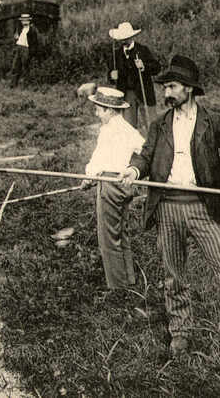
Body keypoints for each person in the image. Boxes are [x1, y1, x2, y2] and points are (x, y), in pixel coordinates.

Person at [119, 55, 220, 355]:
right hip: (167, 206)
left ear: (189, 89)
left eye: (172, 86)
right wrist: (133, 170)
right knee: (174, 275)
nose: (166, 93)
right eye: (165, 86)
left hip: (204, 207)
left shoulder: (214, 122)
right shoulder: (159, 125)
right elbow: (144, 156)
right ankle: (180, 332)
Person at [81, 87, 146, 289]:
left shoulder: (108, 131)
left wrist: (88, 178)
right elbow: (144, 149)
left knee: (108, 239)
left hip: (110, 184)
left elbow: (98, 160)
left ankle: (118, 288)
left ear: (109, 110)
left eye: (99, 109)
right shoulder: (128, 128)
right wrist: (131, 170)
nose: (97, 113)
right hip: (125, 184)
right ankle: (129, 279)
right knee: (121, 233)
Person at [108, 22, 160, 129]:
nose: (124, 41)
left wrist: (143, 66)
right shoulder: (116, 55)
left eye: (126, 38)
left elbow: (157, 67)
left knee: (151, 124)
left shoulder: (142, 50)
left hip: (144, 91)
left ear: (132, 37)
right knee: (129, 127)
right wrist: (111, 76)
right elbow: (111, 75)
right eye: (122, 38)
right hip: (127, 95)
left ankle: (154, 145)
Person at [10, 13, 39, 87]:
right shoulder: (20, 29)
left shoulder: (32, 30)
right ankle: (13, 84)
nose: (24, 22)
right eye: (23, 20)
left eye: (26, 20)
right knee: (15, 66)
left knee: (25, 67)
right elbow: (16, 38)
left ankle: (26, 85)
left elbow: (35, 42)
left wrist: (32, 52)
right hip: (19, 48)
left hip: (26, 49)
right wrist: (15, 46)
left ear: (29, 21)